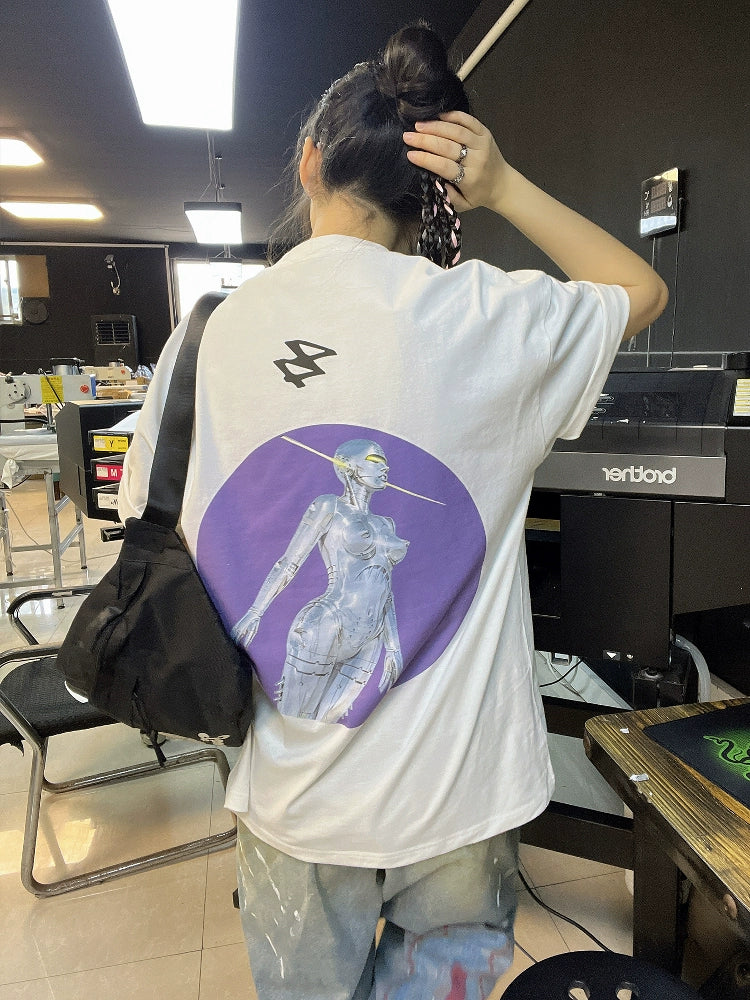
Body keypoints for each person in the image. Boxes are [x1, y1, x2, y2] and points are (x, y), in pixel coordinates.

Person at [118, 22, 667, 1000]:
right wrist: (504, 186)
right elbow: (641, 288)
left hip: (295, 790)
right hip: (456, 789)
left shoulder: (208, 337)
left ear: (309, 161)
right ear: (437, 195)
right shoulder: (489, 318)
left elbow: (163, 530)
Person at [232, 437, 409, 723]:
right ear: (347, 466)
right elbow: (290, 562)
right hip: (327, 623)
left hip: (370, 638)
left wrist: (393, 646)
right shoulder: (329, 506)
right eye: (375, 460)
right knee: (295, 722)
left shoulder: (385, 524)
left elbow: (384, 587)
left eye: (385, 462)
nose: (385, 468)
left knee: (328, 725)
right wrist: (255, 612)